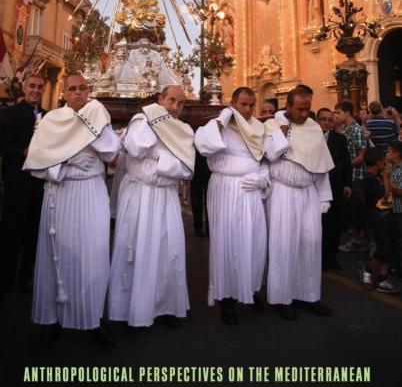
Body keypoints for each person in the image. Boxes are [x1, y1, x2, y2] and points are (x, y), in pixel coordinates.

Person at [24, 74, 120, 349]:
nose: (78, 93)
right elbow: (37, 163)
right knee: (55, 256)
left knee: (94, 255)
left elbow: (111, 153)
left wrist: (87, 129)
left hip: (91, 191)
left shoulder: (97, 116)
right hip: (61, 192)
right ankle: (49, 321)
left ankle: (93, 319)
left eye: (83, 88)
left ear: (89, 91)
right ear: (64, 92)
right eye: (72, 89)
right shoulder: (50, 121)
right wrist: (62, 169)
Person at [195, 86, 289, 325]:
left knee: (254, 241)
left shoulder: (258, 127)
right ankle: (227, 299)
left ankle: (249, 290)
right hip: (226, 189)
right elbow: (204, 146)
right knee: (228, 243)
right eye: (243, 104)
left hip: (251, 191)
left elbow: (271, 157)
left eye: (251, 105)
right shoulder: (220, 124)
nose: (247, 109)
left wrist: (261, 178)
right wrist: (222, 118)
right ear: (233, 102)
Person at [108, 85, 195, 329]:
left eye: (181, 103)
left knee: (168, 251)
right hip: (139, 195)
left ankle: (164, 306)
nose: (175, 108)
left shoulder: (183, 130)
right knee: (135, 249)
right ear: (160, 99)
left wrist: (156, 157)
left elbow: (185, 169)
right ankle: (131, 310)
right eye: (171, 101)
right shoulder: (142, 120)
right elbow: (136, 149)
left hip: (166, 196)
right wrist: (166, 158)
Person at [264, 87, 334, 321]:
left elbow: (321, 165)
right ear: (289, 106)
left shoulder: (314, 128)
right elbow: (269, 156)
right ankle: (283, 298)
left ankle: (309, 294)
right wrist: (282, 127)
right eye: (300, 109)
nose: (305, 113)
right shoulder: (274, 126)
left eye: (307, 108)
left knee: (311, 243)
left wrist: (324, 197)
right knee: (284, 245)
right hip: (283, 193)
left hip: (308, 194)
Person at [0, 74, 46, 300]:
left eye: (39, 87)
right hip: (16, 182)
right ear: (24, 88)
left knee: (33, 232)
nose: (35, 90)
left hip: (39, 185)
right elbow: (2, 146)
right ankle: (6, 278)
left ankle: (26, 276)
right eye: (32, 86)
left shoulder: (48, 117)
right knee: (11, 231)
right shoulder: (9, 114)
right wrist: (22, 152)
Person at [359, 147, 399, 293]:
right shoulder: (369, 179)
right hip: (378, 217)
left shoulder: (376, 175)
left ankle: (383, 278)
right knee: (383, 248)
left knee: (389, 248)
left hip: (386, 216)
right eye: (382, 160)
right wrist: (387, 178)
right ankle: (367, 270)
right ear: (378, 162)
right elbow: (386, 195)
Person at [317, 108, 352, 270]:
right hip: (314, 186)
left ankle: (331, 257)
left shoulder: (339, 139)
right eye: (323, 119)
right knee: (318, 223)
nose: (326, 123)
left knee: (334, 223)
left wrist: (347, 184)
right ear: (317, 120)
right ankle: (318, 256)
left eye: (329, 120)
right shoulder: (310, 138)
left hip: (334, 185)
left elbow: (346, 163)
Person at [333, 100, 367, 252]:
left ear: (347, 113)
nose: (336, 115)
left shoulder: (356, 130)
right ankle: (355, 237)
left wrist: (345, 168)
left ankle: (357, 240)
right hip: (348, 177)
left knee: (357, 211)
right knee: (350, 211)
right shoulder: (343, 130)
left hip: (356, 177)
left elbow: (362, 156)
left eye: (338, 112)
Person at [387, 140, 402, 278]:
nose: (387, 154)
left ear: (396, 154)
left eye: (389, 151)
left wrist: (387, 184)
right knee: (395, 239)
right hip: (393, 209)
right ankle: (396, 264)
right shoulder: (392, 167)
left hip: (400, 211)